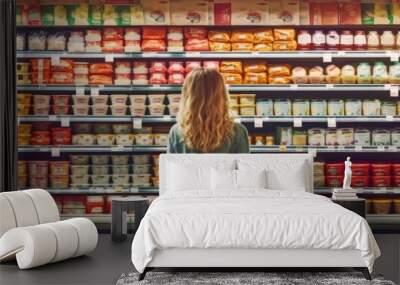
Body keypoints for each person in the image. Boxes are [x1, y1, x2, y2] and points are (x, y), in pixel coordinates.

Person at [167, 67, 249, 153]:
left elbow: (169, 166)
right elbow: (244, 165)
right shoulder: (238, 131)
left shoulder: (176, 132)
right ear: (222, 95)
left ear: (187, 95)